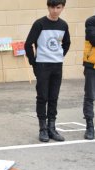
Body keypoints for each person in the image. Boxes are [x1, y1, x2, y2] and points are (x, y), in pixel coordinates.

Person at [25, 0, 70, 142]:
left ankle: (52, 128)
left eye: (58, 7)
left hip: (57, 65)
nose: (55, 10)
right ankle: (43, 129)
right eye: (52, 7)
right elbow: (28, 44)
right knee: (42, 97)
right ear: (48, 7)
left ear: (63, 7)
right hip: (42, 65)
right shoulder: (39, 24)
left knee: (53, 97)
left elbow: (67, 43)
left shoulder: (63, 25)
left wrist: (59, 56)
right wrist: (34, 63)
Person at [83, 15, 95, 140]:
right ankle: (89, 126)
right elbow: (93, 39)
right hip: (92, 65)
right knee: (90, 96)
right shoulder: (91, 21)